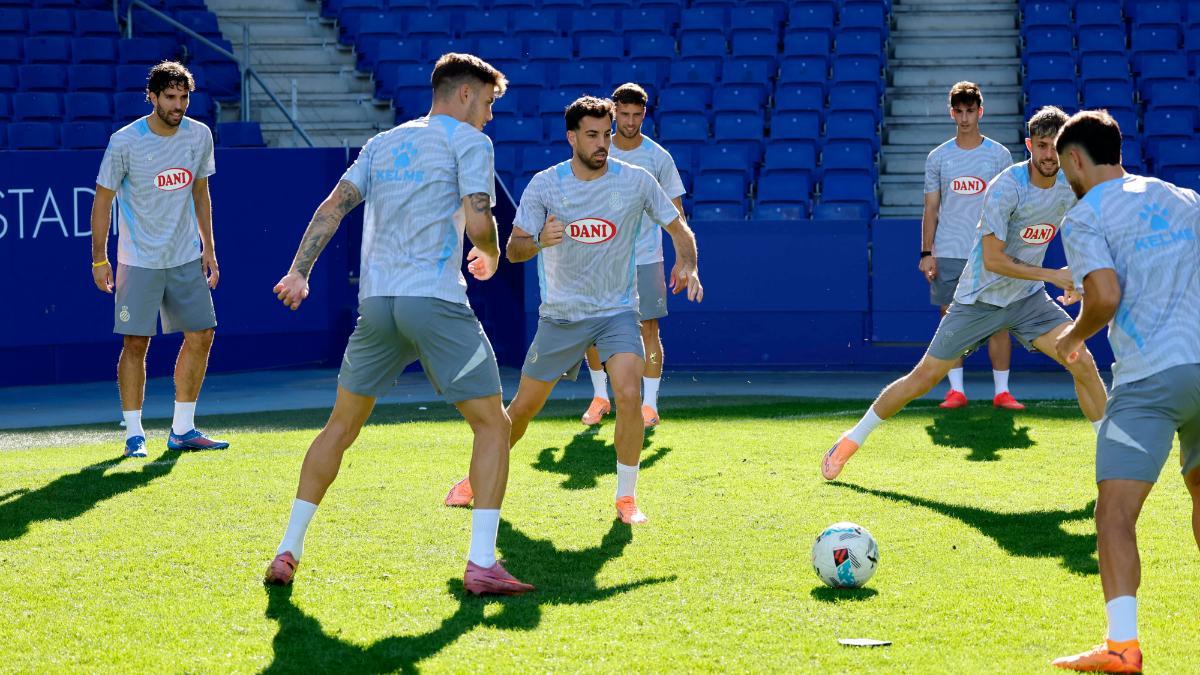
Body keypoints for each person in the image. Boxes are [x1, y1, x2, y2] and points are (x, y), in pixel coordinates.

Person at [263, 53, 532, 596]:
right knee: (493, 425)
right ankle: (482, 564)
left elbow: (330, 210)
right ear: (463, 95)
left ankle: (288, 548)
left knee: (339, 428)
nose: (489, 116)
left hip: (378, 304)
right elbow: (480, 220)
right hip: (433, 301)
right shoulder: (470, 143)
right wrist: (493, 254)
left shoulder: (381, 145)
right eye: (487, 103)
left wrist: (298, 271)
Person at [443, 96, 703, 524]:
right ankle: (474, 481)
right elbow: (514, 249)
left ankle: (626, 499)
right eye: (593, 135)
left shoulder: (636, 181)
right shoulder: (545, 185)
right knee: (523, 410)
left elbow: (678, 226)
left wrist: (687, 262)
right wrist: (541, 239)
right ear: (571, 137)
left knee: (628, 394)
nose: (604, 143)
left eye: (607, 134)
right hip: (561, 317)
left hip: (618, 311)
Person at [822, 106, 1108, 481]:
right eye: (1042, 146)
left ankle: (1111, 458)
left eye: (1056, 147)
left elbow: (1085, 231)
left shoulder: (1070, 187)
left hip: (1027, 300)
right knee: (922, 379)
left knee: (1081, 360)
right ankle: (852, 439)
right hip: (979, 298)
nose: (1049, 155)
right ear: (1029, 146)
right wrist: (1056, 276)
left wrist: (1079, 276)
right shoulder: (1007, 187)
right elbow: (993, 260)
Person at [1051, 110, 1200, 673]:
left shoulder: (1085, 214)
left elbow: (1106, 296)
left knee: (1114, 515)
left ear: (1073, 160)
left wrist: (1071, 337)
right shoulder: (1185, 198)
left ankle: (1122, 648)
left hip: (1149, 382)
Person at [90, 60, 228, 458]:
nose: (178, 104)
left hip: (185, 257)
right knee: (136, 343)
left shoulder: (199, 136)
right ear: (152, 96)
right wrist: (99, 259)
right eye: (170, 97)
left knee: (202, 334)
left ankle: (182, 429)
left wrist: (210, 249)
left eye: (183, 97)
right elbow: (103, 201)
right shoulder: (124, 141)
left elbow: (201, 193)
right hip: (138, 260)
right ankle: (134, 432)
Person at [578, 82, 687, 429]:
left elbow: (676, 214)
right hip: (599, 259)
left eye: (636, 115)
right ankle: (599, 397)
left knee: (648, 331)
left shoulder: (658, 158)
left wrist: (685, 261)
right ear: (613, 112)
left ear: (644, 114)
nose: (629, 121)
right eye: (623, 114)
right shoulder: (597, 151)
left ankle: (650, 405)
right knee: (591, 331)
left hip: (645, 257)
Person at [921, 81, 1021, 409]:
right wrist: (927, 252)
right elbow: (931, 208)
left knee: (998, 320)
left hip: (989, 253)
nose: (964, 118)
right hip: (948, 252)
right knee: (951, 323)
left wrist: (1010, 251)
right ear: (952, 113)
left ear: (980, 111)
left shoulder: (999, 155)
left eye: (970, 111)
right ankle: (956, 391)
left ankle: (1002, 392)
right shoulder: (938, 157)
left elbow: (1011, 206)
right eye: (959, 111)